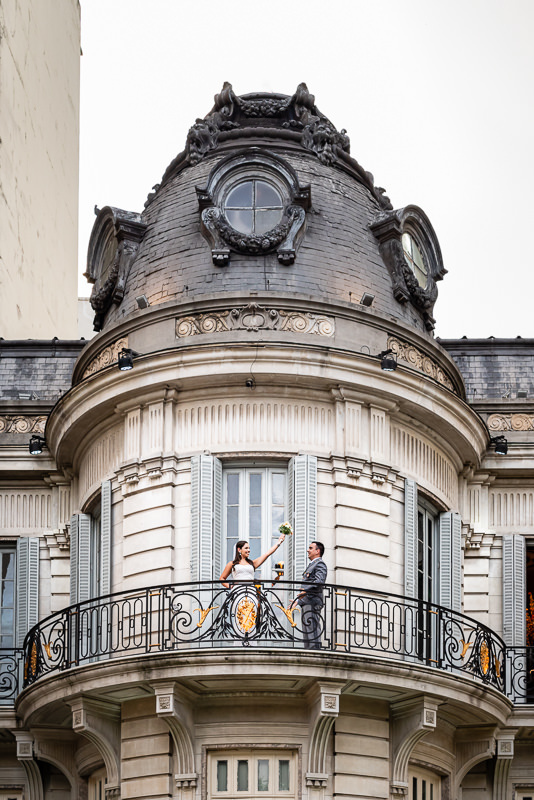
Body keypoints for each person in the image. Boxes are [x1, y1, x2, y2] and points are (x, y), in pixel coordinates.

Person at [291, 541, 327, 649]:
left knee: (312, 630)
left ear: (317, 551)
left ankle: (315, 653)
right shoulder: (312, 565)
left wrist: (305, 590)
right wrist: (298, 601)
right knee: (307, 630)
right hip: (307, 602)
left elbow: (319, 581)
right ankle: (309, 651)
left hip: (313, 602)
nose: (308, 550)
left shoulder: (320, 563)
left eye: (310, 548)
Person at [220, 535, 286, 588]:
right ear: (239, 550)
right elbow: (222, 578)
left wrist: (279, 542)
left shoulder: (252, 563)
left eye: (249, 548)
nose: (249, 550)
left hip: (250, 591)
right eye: (246, 548)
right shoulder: (232, 564)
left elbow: (267, 554)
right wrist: (230, 586)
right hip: (238, 592)